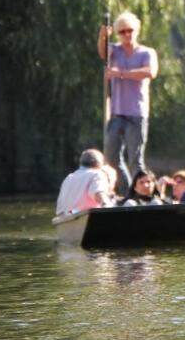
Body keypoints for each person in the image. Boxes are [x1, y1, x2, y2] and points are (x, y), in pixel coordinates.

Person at [98, 11, 158, 192]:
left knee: (135, 159)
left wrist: (120, 74)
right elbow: (102, 53)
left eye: (129, 30)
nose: (126, 35)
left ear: (136, 30)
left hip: (137, 112)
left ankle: (143, 192)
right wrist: (103, 37)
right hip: (117, 112)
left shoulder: (147, 52)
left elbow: (150, 72)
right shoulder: (114, 50)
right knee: (111, 156)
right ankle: (128, 190)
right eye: (122, 32)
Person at [56, 149, 112, 215]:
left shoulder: (68, 178)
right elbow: (98, 194)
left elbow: (60, 211)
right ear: (99, 163)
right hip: (89, 218)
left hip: (69, 217)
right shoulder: (97, 174)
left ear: (81, 162)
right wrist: (106, 204)